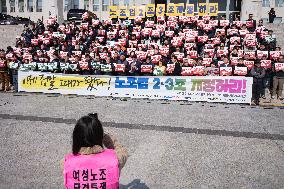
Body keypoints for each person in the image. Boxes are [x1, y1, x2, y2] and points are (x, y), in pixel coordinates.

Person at [63, 113, 128, 189]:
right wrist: (104, 136)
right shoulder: (116, 160)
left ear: (76, 137)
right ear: (100, 137)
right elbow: (122, 151)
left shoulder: (66, 163)